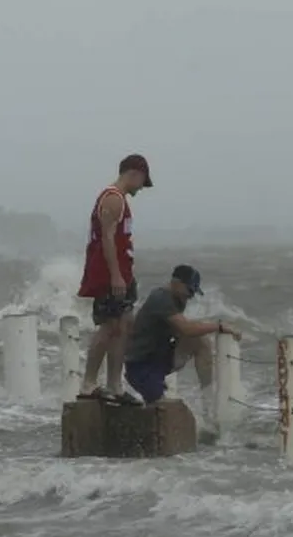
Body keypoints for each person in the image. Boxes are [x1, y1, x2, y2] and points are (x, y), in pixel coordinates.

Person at [75, 153, 153, 405]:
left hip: (123, 274)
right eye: (142, 181)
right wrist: (116, 276)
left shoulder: (121, 201)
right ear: (134, 174)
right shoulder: (113, 199)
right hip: (110, 276)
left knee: (124, 325)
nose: (141, 188)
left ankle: (115, 385)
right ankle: (88, 383)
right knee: (108, 326)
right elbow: (107, 240)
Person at [124, 264, 242, 430]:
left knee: (201, 342)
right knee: (162, 412)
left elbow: (182, 332)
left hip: (159, 358)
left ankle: (208, 405)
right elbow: (186, 328)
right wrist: (219, 326)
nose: (191, 296)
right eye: (190, 291)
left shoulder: (178, 299)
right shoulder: (161, 298)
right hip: (141, 367)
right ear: (176, 283)